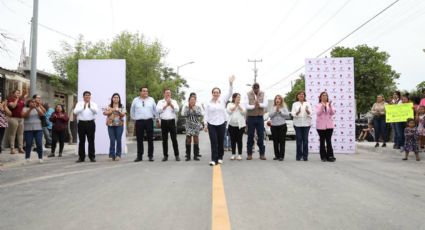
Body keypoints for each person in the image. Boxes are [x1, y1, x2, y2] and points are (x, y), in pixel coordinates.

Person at [204, 75, 234, 166]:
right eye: (214, 92)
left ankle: (220, 157)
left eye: (217, 92)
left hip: (221, 123)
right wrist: (205, 124)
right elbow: (206, 114)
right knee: (213, 141)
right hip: (211, 124)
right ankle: (214, 159)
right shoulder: (208, 102)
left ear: (219, 93)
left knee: (220, 141)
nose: (216, 94)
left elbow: (230, 92)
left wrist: (231, 83)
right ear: (212, 93)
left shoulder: (223, 100)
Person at [130, 86, 157, 162]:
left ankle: (150, 156)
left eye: (147, 91)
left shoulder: (151, 99)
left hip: (149, 121)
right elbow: (132, 111)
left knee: (150, 139)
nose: (145, 92)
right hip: (139, 122)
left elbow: (155, 110)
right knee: (139, 140)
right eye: (144, 91)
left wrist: (157, 118)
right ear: (140, 92)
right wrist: (134, 119)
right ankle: (139, 156)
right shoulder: (135, 100)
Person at [74, 91, 98, 163]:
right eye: (86, 95)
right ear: (83, 96)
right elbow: (75, 112)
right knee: (81, 141)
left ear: (90, 96)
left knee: (91, 140)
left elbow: (96, 111)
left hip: (90, 123)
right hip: (81, 123)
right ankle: (81, 157)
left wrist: (90, 107)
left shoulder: (93, 104)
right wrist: (83, 107)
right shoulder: (79, 103)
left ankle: (92, 157)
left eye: (88, 95)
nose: (87, 96)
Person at [156, 89, 180, 161]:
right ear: (164, 94)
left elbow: (177, 110)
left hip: (172, 121)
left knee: (174, 139)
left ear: (171, 94)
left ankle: (177, 155)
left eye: (169, 93)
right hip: (163, 122)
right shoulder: (160, 102)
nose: (168, 94)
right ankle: (165, 155)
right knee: (164, 140)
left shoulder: (174, 101)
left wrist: (171, 104)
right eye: (166, 93)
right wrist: (166, 105)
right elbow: (158, 110)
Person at [246, 82, 268, 160]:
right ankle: (249, 154)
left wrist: (259, 105)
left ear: (259, 88)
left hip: (260, 117)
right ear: (252, 88)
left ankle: (262, 154)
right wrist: (254, 106)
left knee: (261, 136)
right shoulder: (248, 94)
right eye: (254, 89)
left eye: (257, 89)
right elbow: (246, 106)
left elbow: (265, 104)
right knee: (250, 136)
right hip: (251, 117)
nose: (256, 90)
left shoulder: (263, 93)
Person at [21, 96, 45, 163]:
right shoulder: (25, 108)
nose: (33, 103)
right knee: (28, 144)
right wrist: (30, 109)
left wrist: (36, 108)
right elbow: (24, 116)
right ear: (28, 103)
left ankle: (40, 157)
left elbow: (42, 114)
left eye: (34, 102)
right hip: (28, 129)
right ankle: (27, 157)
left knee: (39, 144)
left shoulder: (38, 108)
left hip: (38, 129)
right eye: (32, 102)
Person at [103, 93, 125, 161]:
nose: (116, 98)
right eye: (114, 97)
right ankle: (111, 155)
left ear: (119, 99)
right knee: (112, 140)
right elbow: (104, 113)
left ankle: (118, 155)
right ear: (112, 98)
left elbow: (123, 115)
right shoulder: (109, 106)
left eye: (117, 97)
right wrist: (112, 110)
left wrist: (118, 110)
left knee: (118, 140)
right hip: (110, 125)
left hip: (119, 125)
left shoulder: (122, 106)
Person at [291, 91, 312, 161]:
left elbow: (311, 113)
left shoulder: (308, 103)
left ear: (304, 96)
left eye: (303, 94)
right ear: (297, 96)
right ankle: (298, 156)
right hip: (297, 124)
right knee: (299, 140)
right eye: (300, 94)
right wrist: (298, 112)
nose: (301, 95)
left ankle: (305, 156)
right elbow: (292, 114)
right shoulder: (295, 104)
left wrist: (307, 111)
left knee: (305, 141)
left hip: (306, 124)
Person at [315, 92, 336, 162]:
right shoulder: (318, 105)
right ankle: (323, 156)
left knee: (329, 141)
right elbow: (318, 113)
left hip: (329, 126)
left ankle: (330, 156)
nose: (324, 97)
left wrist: (329, 106)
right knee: (322, 141)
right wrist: (322, 106)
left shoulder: (330, 104)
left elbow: (332, 113)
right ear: (320, 97)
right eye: (323, 96)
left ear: (327, 97)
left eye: (326, 96)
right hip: (320, 126)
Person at [182, 93, 203, 161]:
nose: (192, 101)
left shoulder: (198, 107)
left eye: (194, 100)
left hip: (196, 125)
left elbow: (200, 114)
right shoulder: (186, 107)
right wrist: (189, 109)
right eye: (191, 100)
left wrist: (194, 110)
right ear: (189, 101)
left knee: (196, 140)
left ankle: (195, 156)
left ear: (195, 101)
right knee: (188, 140)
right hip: (188, 125)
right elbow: (184, 114)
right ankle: (188, 156)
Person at [269, 95, 289, 161]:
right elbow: (270, 116)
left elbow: (287, 116)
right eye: (276, 99)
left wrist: (280, 112)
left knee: (282, 141)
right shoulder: (273, 107)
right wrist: (275, 111)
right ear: (275, 100)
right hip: (274, 126)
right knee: (275, 141)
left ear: (281, 100)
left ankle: (281, 156)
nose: (277, 100)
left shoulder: (284, 107)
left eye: (279, 98)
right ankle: (277, 155)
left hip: (282, 126)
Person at [226, 93, 246, 160]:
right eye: (237, 97)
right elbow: (229, 111)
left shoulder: (242, 104)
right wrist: (235, 105)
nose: (239, 98)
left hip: (240, 126)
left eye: (239, 97)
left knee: (239, 140)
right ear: (234, 98)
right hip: (231, 125)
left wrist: (239, 106)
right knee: (233, 140)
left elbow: (244, 113)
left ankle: (240, 154)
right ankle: (233, 154)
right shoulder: (229, 104)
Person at [7, 89, 26, 154]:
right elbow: (13, 106)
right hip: (13, 118)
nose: (18, 94)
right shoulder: (10, 99)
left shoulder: (21, 100)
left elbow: (22, 109)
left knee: (20, 134)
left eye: (19, 93)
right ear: (13, 93)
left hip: (21, 119)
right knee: (12, 134)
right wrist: (17, 99)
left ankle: (20, 148)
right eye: (17, 93)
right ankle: (12, 148)